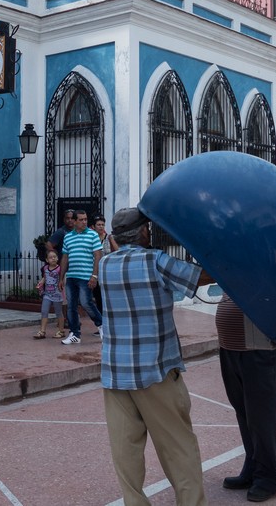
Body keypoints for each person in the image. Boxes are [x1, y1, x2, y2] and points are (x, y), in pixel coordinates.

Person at [98, 207, 207, 506]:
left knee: (125, 454)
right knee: (178, 448)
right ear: (143, 232)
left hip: (116, 373)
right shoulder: (156, 261)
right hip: (155, 371)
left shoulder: (105, 265)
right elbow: (198, 277)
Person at [217, 294, 276, 502]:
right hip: (230, 347)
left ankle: (267, 479)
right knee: (244, 414)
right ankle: (252, 468)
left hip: (260, 349)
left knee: (263, 418)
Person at [60, 210, 104, 345]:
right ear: (74, 221)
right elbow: (65, 257)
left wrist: (94, 275)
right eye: (81, 220)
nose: (84, 222)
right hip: (72, 276)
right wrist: (61, 278)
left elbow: (98, 255)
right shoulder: (68, 237)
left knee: (86, 302)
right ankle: (75, 334)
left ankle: (102, 325)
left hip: (86, 276)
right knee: (71, 306)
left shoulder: (93, 235)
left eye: (85, 219)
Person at [33, 249, 66, 339]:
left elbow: (63, 280)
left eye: (55, 257)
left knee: (59, 312)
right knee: (44, 311)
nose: (53, 259)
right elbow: (45, 277)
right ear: (47, 260)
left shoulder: (60, 269)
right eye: (51, 257)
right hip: (47, 294)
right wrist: (41, 283)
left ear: (58, 258)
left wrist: (62, 284)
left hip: (57, 295)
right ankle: (42, 331)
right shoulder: (45, 268)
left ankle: (61, 331)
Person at [91, 214, 119, 312]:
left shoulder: (109, 238)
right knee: (98, 297)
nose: (101, 227)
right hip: (95, 271)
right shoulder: (91, 239)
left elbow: (117, 251)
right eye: (98, 225)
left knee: (108, 296)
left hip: (107, 271)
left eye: (102, 225)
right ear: (93, 227)